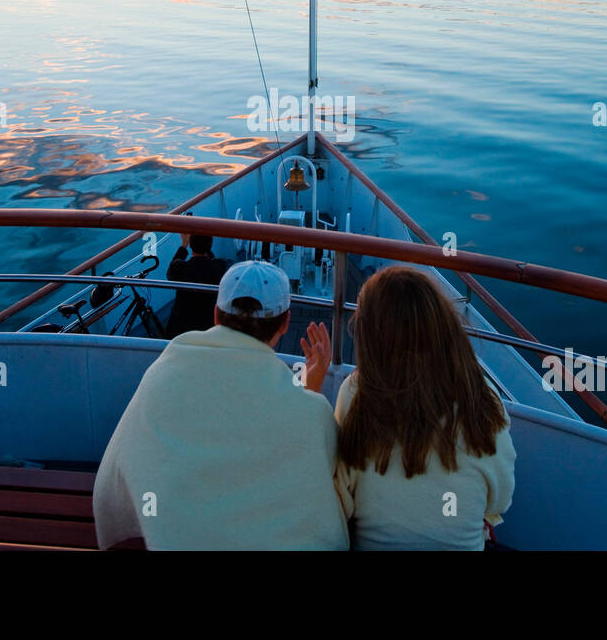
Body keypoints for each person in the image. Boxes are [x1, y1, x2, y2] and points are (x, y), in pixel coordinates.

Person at [93, 260, 348, 550]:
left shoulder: (166, 368)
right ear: (286, 323)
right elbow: (314, 463)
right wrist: (310, 390)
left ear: (216, 314)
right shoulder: (310, 411)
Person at [333, 265, 516, 550]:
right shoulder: (483, 398)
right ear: (443, 325)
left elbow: (343, 497)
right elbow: (500, 500)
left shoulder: (355, 393)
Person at [164, 232, 230, 338]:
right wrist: (205, 246)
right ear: (210, 245)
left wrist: (184, 245)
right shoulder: (219, 267)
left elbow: (171, 272)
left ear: (190, 244)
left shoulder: (179, 268)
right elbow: (213, 261)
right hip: (208, 326)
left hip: (180, 328)